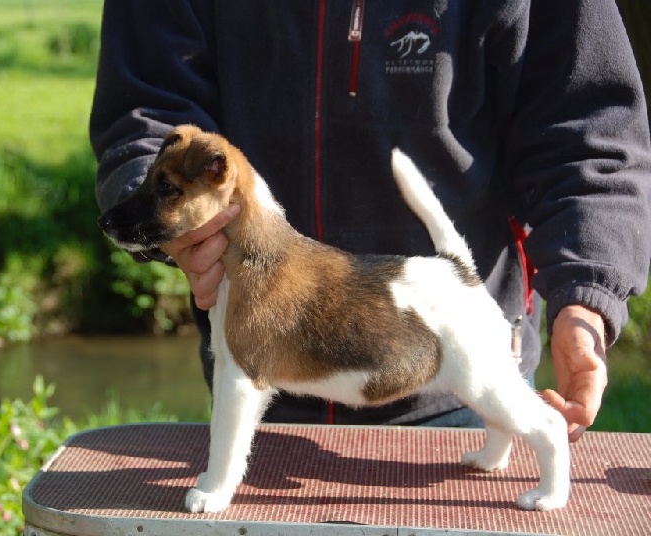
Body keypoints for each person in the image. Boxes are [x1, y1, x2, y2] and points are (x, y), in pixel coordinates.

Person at [89, 2, 651, 441]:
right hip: (260, 391)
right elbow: (146, 105)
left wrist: (587, 291)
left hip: (459, 391)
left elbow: (587, 133)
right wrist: (175, 224)